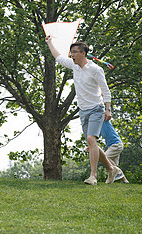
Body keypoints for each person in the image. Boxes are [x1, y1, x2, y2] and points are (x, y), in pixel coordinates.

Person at [45, 36, 122, 185]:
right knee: (92, 143)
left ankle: (93, 176)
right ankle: (112, 169)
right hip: (83, 110)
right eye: (71, 52)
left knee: (91, 139)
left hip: (97, 108)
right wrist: (50, 43)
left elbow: (106, 91)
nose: (72, 55)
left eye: (74, 52)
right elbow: (58, 57)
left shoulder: (96, 70)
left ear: (83, 53)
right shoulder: (74, 66)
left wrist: (108, 109)